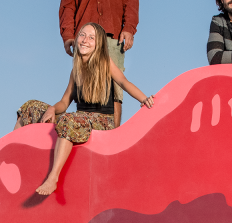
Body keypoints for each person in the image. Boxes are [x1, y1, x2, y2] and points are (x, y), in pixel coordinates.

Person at [14, 22, 154, 196]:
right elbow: (65, 102)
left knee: (69, 120)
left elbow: (124, 82)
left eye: (91, 37)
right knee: (30, 107)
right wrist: (52, 109)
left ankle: (53, 178)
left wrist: (145, 98)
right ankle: (6, 153)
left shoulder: (105, 63)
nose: (85, 40)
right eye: (82, 35)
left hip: (102, 121)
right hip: (79, 119)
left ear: (99, 44)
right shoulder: (76, 70)